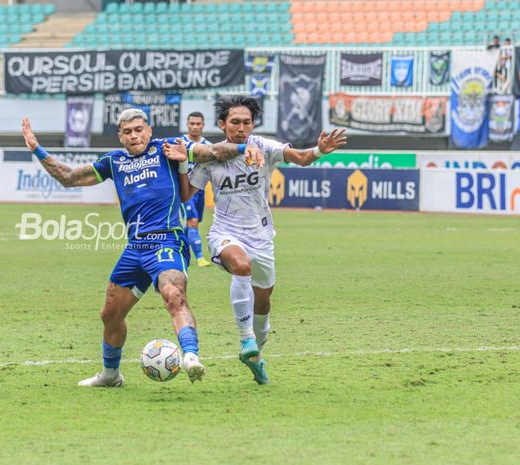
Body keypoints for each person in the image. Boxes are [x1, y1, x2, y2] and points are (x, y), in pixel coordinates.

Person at [21, 109, 262, 387]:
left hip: (167, 240)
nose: (134, 135)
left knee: (174, 294)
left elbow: (213, 152)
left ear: (149, 130)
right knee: (110, 315)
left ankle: (191, 356)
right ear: (120, 137)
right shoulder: (113, 161)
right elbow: (69, 177)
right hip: (136, 247)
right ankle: (111, 375)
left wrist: (246, 147)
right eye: (128, 132)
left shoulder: (168, 147)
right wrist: (38, 149)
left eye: (139, 129)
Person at [165, 95, 346, 384]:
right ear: (223, 124)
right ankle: (246, 339)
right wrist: (184, 164)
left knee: (263, 304)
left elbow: (300, 158)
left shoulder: (264, 146)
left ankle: (256, 355)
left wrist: (319, 150)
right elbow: (187, 194)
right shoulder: (211, 155)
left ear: (253, 124)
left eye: (246, 122)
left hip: (261, 237)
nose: (241, 128)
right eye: (234, 122)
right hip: (225, 233)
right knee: (241, 266)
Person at [180, 111, 211, 267]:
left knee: (192, 224)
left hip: (200, 191)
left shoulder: (208, 146)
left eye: (198, 124)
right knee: (191, 221)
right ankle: (199, 258)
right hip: (185, 191)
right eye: (192, 123)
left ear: (203, 126)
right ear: (187, 125)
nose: (195, 126)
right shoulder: (180, 143)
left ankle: (182, 253)